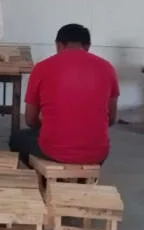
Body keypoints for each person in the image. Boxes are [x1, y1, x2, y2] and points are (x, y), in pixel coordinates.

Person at [10, 24, 119, 165]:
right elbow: (111, 119)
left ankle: (44, 174)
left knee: (17, 138)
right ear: (87, 46)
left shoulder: (42, 67)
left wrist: (49, 127)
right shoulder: (108, 68)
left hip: (53, 150)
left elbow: (30, 120)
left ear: (58, 45)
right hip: (97, 154)